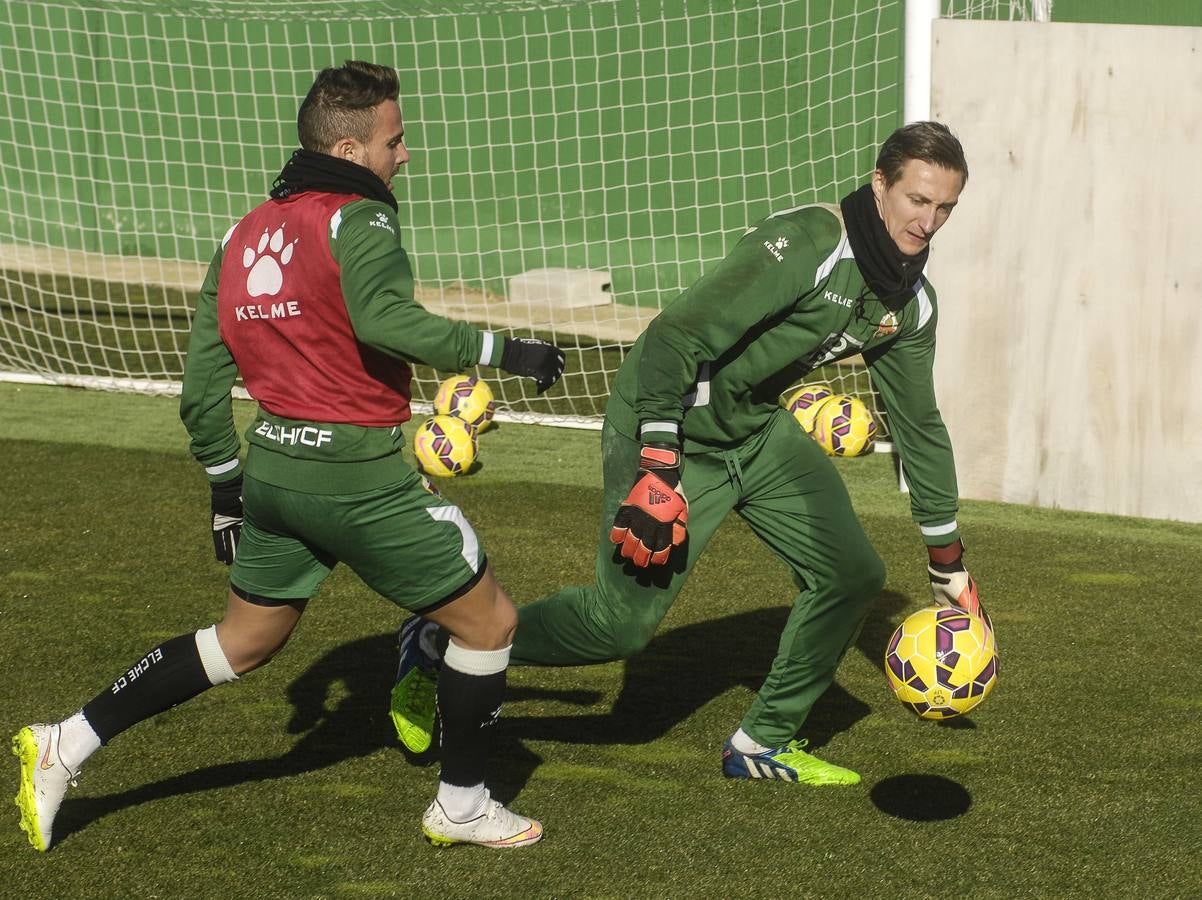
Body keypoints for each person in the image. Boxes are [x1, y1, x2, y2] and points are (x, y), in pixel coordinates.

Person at [11, 60, 564, 852]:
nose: (403, 156)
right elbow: (384, 321)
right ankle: (463, 804)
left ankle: (67, 741)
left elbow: (202, 385)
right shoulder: (360, 220)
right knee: (490, 623)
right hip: (358, 480)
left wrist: (224, 484)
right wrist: (503, 348)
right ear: (348, 148)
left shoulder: (241, 233)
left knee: (243, 642)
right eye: (393, 141)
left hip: (272, 471)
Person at [390, 121, 987, 785]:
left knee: (852, 576)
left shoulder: (908, 304)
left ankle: (761, 742)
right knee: (618, 628)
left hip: (756, 432)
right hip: (667, 421)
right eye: (916, 200)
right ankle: (446, 637)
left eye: (944, 209)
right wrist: (657, 463)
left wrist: (948, 566)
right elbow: (675, 339)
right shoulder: (807, 246)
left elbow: (919, 426)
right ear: (880, 185)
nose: (928, 221)